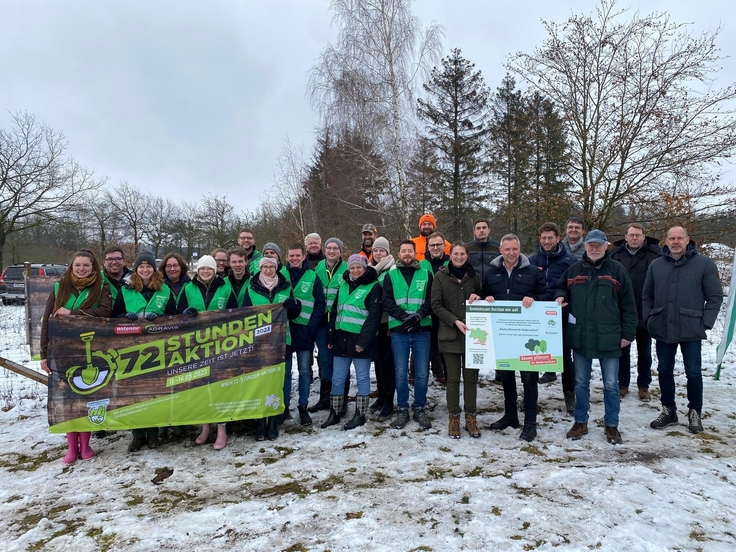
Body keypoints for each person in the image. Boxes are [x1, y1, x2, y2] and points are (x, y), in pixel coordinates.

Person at [555, 229, 637, 445]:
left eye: (598, 245)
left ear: (605, 246)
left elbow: (629, 305)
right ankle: (580, 421)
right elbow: (560, 288)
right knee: (581, 383)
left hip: (609, 337)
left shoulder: (617, 271)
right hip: (581, 336)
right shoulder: (574, 269)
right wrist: (561, 296)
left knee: (611, 385)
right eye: (590, 244)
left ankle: (611, 424)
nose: (594, 248)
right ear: (586, 246)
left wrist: (628, 333)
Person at [642, 226, 723, 433]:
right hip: (663, 326)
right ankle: (669, 410)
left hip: (691, 328)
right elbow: (647, 295)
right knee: (664, 371)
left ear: (688, 240)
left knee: (694, 373)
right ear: (666, 242)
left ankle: (694, 412)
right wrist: (649, 317)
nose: (676, 242)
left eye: (680, 238)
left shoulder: (704, 264)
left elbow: (714, 296)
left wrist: (705, 322)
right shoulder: (656, 265)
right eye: (672, 238)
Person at [40, 250, 112, 464]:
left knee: (88, 397)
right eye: (77, 265)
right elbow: (47, 322)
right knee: (69, 399)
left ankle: (86, 444)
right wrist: (44, 354)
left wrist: (72, 314)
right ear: (71, 267)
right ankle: (71, 447)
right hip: (63, 351)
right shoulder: (58, 287)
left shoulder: (101, 287)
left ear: (93, 267)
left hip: (92, 350)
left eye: (86, 266)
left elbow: (104, 313)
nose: (81, 269)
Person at [483, 234, 552, 442]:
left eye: (515, 249)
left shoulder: (532, 272)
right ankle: (510, 416)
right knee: (506, 377)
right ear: (501, 251)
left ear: (519, 249)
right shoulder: (491, 272)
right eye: (507, 250)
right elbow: (483, 293)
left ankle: (530, 423)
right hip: (503, 335)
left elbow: (547, 295)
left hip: (527, 336)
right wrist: (485, 298)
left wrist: (536, 299)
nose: (511, 253)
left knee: (529, 379)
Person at [112, 251, 178, 452]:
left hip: (157, 348)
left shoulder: (164, 290)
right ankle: (137, 435)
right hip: (131, 348)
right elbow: (113, 316)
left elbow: (173, 316)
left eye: (148, 266)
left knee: (155, 390)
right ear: (136, 268)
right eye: (141, 266)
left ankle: (153, 434)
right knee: (133, 391)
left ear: (154, 268)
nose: (145, 269)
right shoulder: (126, 290)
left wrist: (159, 318)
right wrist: (125, 315)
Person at [177, 254, 238, 449]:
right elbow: (177, 315)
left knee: (219, 388)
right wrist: (186, 315)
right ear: (198, 270)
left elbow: (236, 315)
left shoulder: (225, 288)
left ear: (214, 270)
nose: (205, 271)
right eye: (202, 268)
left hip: (221, 345)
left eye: (209, 269)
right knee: (201, 387)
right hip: (196, 346)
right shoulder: (188, 288)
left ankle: (221, 429)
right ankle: (205, 426)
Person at [243, 256, 302, 440]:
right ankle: (260, 420)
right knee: (260, 382)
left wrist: (294, 305)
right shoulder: (251, 288)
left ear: (276, 268)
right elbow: (244, 316)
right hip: (258, 344)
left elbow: (294, 314)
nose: (268, 270)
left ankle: (274, 419)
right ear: (259, 269)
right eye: (265, 267)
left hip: (282, 341)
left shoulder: (285, 286)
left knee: (277, 381)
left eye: (271, 267)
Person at [322, 254, 382, 429]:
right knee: (338, 377)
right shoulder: (343, 284)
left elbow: (374, 318)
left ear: (365, 268)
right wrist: (330, 335)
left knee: (362, 377)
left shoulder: (373, 286)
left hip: (360, 341)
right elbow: (335, 311)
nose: (355, 271)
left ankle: (360, 414)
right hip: (341, 339)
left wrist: (363, 342)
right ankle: (335, 412)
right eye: (352, 267)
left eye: (359, 267)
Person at [431, 242, 483, 439]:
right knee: (452, 379)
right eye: (456, 254)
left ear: (467, 256)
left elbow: (483, 296)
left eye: (462, 254)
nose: (459, 257)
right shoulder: (440, 277)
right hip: (450, 335)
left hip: (473, 336)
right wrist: (454, 321)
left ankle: (471, 418)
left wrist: (480, 297)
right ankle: (454, 418)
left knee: (471, 379)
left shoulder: (474, 276)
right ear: (450, 255)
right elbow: (436, 305)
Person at [383, 240, 434, 430]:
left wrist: (419, 316)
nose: (406, 253)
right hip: (399, 330)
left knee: (421, 373)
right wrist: (405, 317)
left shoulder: (425, 273)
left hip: (422, 329)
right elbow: (387, 301)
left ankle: (419, 406)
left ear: (415, 253)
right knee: (401, 373)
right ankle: (402, 408)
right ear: (399, 253)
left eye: (410, 250)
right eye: (403, 250)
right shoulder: (391, 274)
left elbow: (432, 299)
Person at [610, 223, 662, 401]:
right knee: (622, 351)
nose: (634, 238)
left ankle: (644, 385)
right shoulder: (614, 255)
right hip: (621, 312)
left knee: (645, 352)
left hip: (644, 311)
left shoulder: (655, 255)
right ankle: (622, 383)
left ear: (643, 237)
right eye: (631, 235)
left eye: (638, 235)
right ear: (625, 237)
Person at [528, 222, 577, 411]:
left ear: (558, 238)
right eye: (543, 238)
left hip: (561, 315)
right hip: (535, 316)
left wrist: (566, 299)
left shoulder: (570, 262)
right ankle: (531, 399)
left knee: (565, 358)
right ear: (540, 240)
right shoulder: (531, 261)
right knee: (531, 356)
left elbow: (574, 288)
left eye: (550, 238)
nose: (547, 241)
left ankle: (570, 396)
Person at [286, 243, 325, 427]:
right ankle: (284, 407)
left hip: (305, 331)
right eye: (291, 256)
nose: (294, 258)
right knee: (285, 374)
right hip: (284, 332)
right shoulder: (280, 276)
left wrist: (311, 327)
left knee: (304, 372)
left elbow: (319, 305)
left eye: (297, 256)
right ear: (287, 257)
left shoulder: (313, 276)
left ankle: (303, 406)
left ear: (303, 257)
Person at [309, 238, 347, 415]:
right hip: (322, 321)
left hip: (341, 322)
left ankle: (341, 399)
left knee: (340, 361)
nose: (332, 251)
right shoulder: (318, 268)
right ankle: (325, 398)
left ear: (340, 251)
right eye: (329, 248)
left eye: (335, 248)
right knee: (325, 361)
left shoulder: (347, 268)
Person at [368, 236, 396, 419]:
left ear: (387, 252)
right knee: (377, 361)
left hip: (387, 323)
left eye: (382, 250)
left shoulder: (392, 270)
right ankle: (380, 393)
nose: (378, 253)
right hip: (374, 323)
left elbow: (395, 298)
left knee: (387, 363)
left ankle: (388, 400)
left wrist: (392, 323)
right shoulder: (370, 270)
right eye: (376, 250)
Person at [421, 232, 450, 384]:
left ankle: (445, 372)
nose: (436, 247)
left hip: (446, 311)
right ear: (428, 247)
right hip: (427, 311)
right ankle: (424, 374)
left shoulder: (451, 263)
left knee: (445, 344)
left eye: (439, 244)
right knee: (428, 345)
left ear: (444, 246)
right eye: (432, 245)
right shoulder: (421, 264)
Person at [466, 217, 500, 283]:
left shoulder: (498, 248)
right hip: (472, 286)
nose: (481, 230)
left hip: (493, 286)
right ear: (474, 231)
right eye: (478, 228)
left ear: (489, 230)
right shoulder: (467, 248)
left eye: (484, 227)